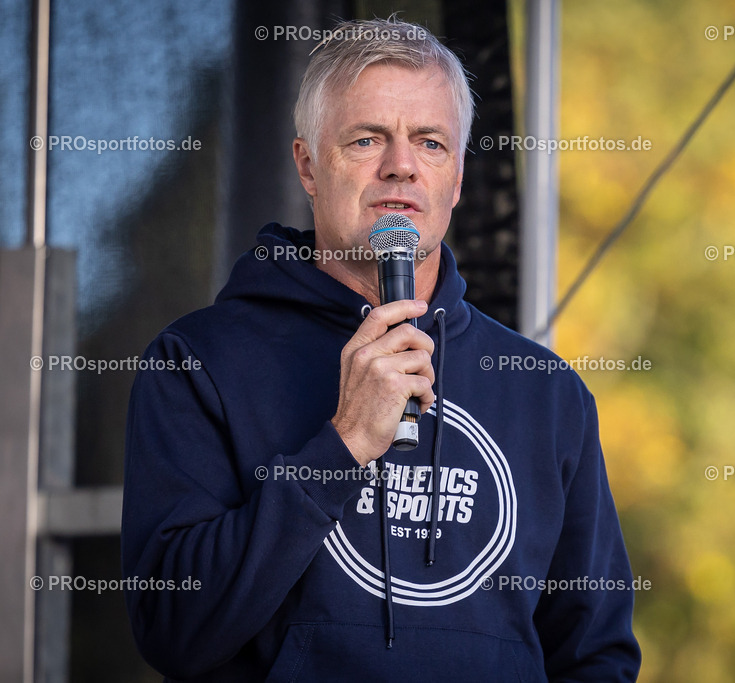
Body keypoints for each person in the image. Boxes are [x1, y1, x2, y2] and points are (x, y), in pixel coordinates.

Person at [122, 17, 641, 682]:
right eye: (367, 139)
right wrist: (339, 447)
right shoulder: (196, 362)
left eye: (429, 142)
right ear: (308, 165)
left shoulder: (544, 390)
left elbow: (595, 652)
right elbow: (173, 627)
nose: (401, 164)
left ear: (455, 178)